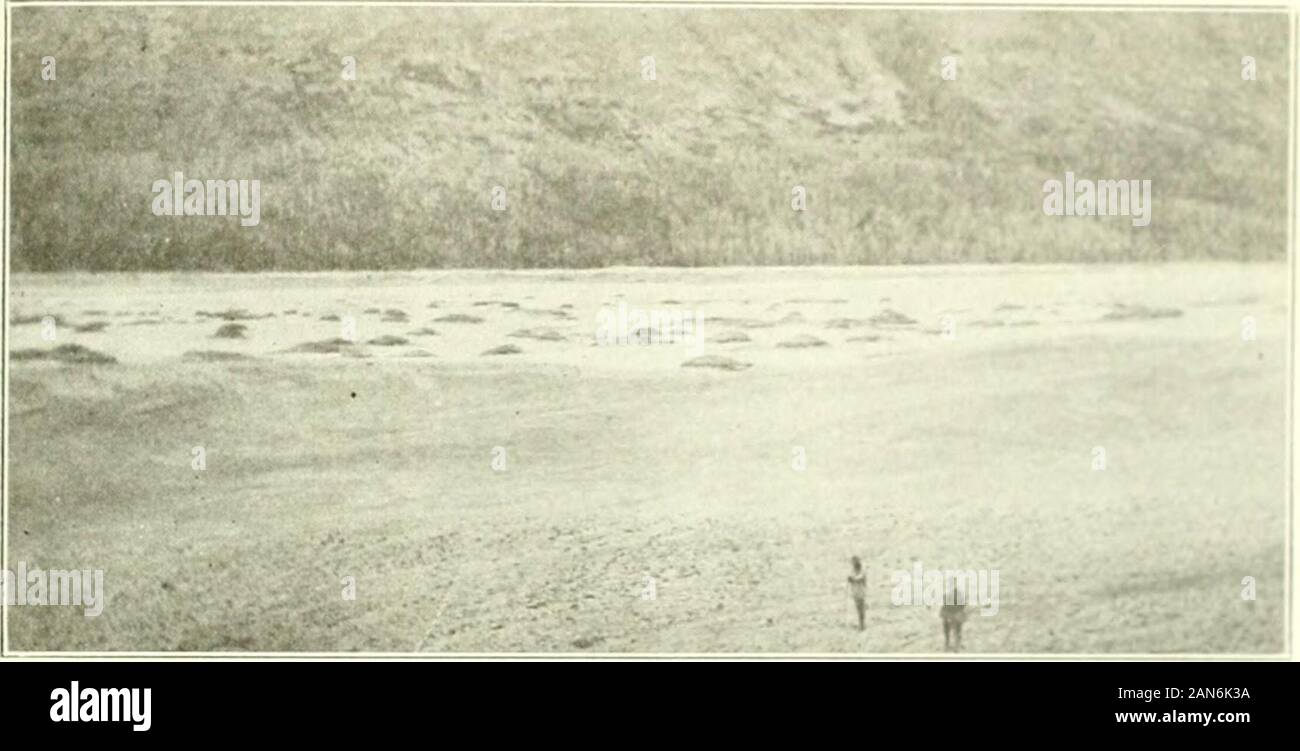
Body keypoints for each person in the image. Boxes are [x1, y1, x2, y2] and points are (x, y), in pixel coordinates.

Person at [940, 580, 968, 652]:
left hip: (954, 614)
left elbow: (962, 605)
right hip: (950, 614)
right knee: (951, 630)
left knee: (956, 630)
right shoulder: (948, 593)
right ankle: (949, 644)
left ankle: (954, 645)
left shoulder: (957, 593)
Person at [847, 556, 867, 631]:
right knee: (858, 609)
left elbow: (860, 578)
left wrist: (852, 579)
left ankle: (862, 625)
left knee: (861, 609)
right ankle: (861, 624)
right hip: (855, 592)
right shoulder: (853, 571)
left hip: (861, 592)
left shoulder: (862, 571)